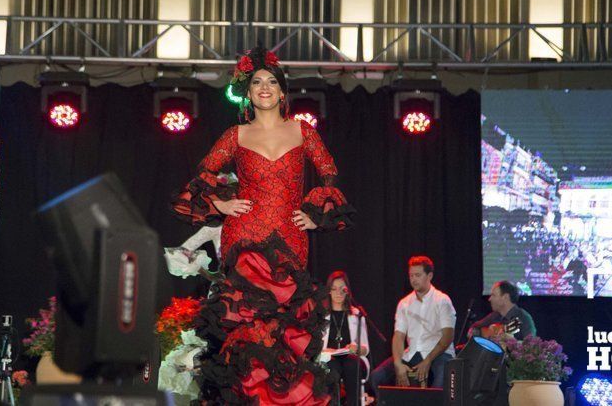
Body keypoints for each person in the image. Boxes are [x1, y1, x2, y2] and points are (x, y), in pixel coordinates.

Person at [172, 47, 355, 405]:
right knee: (246, 330)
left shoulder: (303, 132)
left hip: (289, 237)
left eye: (272, 81)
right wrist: (221, 203)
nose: (265, 87)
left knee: (284, 331)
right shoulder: (236, 135)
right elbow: (204, 174)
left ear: (283, 91)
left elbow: (329, 171)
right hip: (245, 237)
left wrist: (316, 213)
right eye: (257, 82)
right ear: (248, 92)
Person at [370, 256, 456, 393]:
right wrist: (398, 363)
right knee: (377, 377)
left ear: (430, 276)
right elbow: (398, 336)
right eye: (411, 275)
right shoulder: (404, 303)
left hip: (439, 354)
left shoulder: (442, 300)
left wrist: (428, 360)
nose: (413, 279)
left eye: (418, 275)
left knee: (439, 385)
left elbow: (447, 337)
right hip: (413, 352)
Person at [321, 271, 369, 406]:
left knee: (352, 364)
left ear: (348, 291)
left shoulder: (356, 314)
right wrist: (325, 351)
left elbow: (366, 350)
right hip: (330, 359)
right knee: (331, 366)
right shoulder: (321, 315)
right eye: (334, 289)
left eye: (342, 289)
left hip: (351, 359)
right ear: (329, 291)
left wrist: (357, 349)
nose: (338, 293)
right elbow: (313, 347)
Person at [469, 281, 536, 341]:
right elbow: (472, 330)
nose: (489, 299)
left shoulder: (523, 318)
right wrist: (488, 333)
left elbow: (530, 346)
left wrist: (513, 342)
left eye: (493, 295)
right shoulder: (494, 316)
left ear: (505, 297)